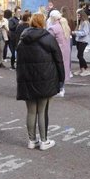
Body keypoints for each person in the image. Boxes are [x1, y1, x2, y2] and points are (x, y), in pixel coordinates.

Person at [16, 13, 65, 150]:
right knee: (42, 111)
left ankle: (32, 140)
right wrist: (61, 79)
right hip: (45, 78)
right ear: (43, 23)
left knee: (31, 111)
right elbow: (58, 60)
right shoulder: (48, 38)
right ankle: (44, 141)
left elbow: (18, 61)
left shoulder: (23, 39)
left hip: (27, 79)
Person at [47, 10, 71, 97]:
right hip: (65, 51)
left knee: (55, 70)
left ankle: (58, 89)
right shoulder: (65, 26)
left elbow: (48, 41)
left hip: (56, 52)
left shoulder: (53, 28)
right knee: (63, 69)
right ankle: (62, 88)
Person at [72, 10, 90, 76]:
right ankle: (82, 69)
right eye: (77, 15)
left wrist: (75, 32)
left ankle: (86, 69)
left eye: (78, 15)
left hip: (84, 41)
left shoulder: (85, 22)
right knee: (80, 55)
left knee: (79, 55)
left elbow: (85, 32)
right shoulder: (80, 22)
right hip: (79, 40)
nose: (77, 16)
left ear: (82, 15)